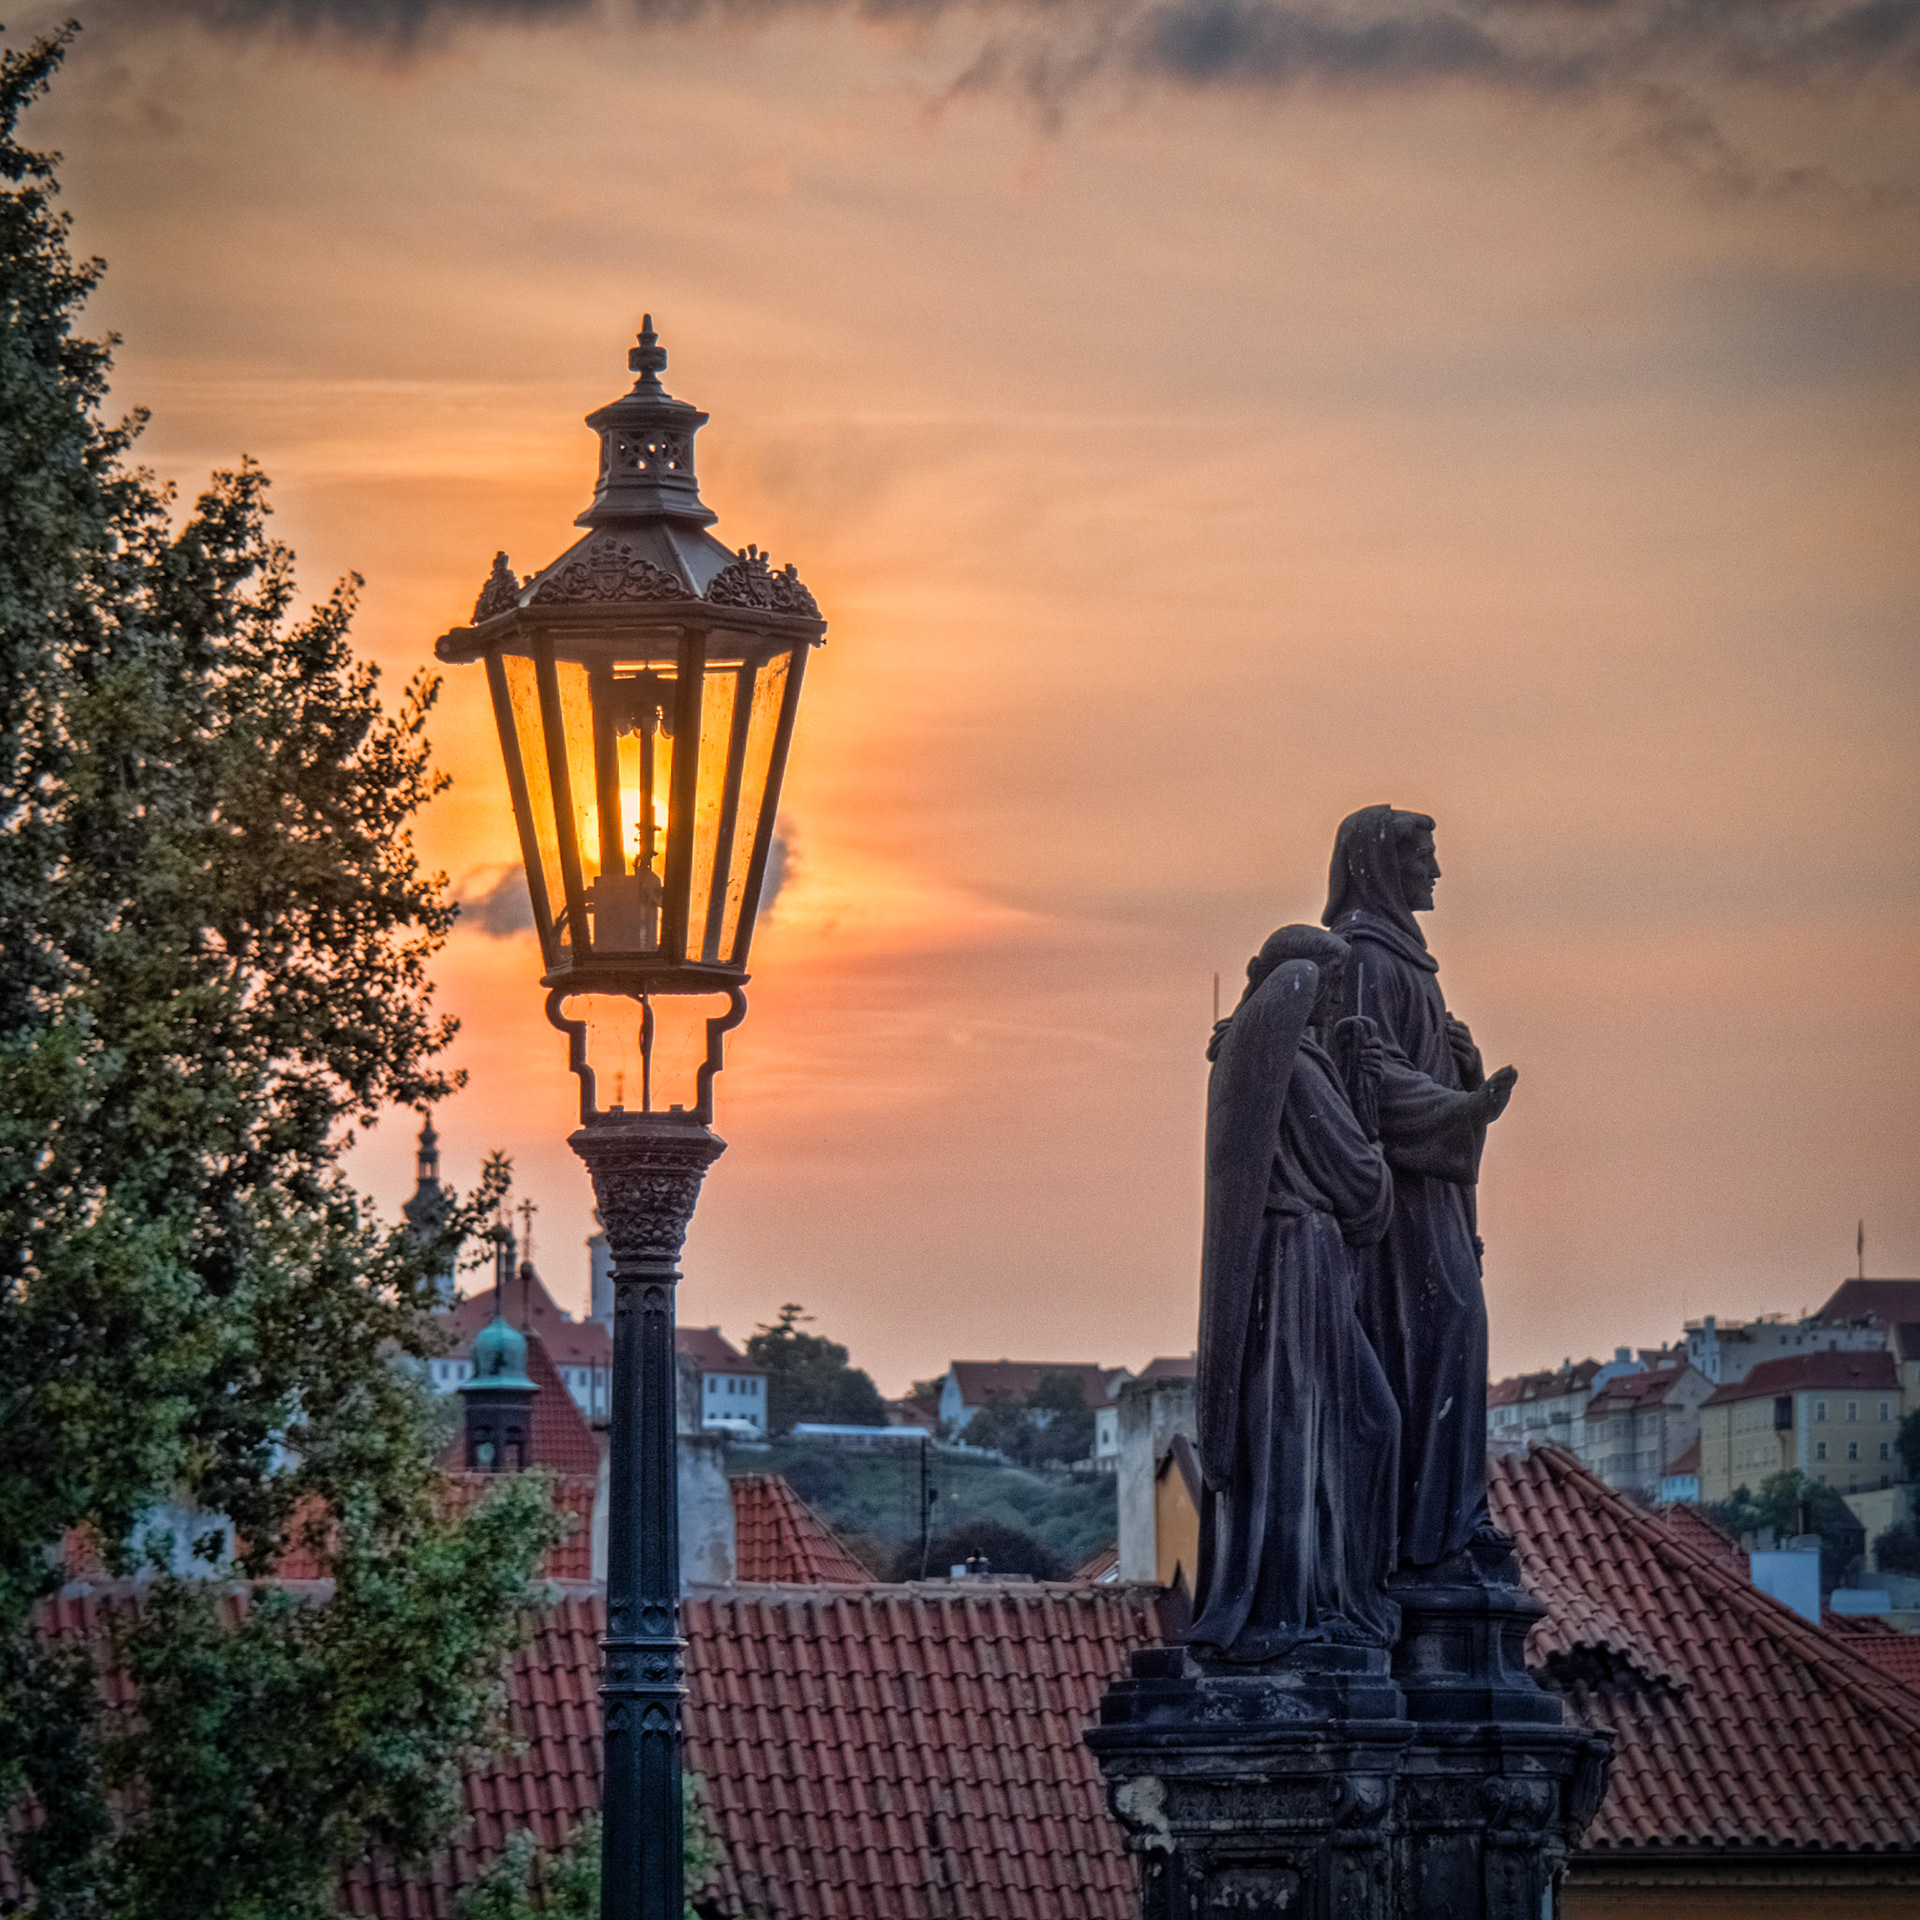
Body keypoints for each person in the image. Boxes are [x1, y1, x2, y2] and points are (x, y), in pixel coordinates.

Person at [1190, 925, 1401, 1661]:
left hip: (1299, 1264)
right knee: (1323, 1426)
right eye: (1331, 984)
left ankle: (1326, 1591)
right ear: (1302, 986)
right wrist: (1368, 1108)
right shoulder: (1299, 1072)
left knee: (1348, 1424)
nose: (1338, 996)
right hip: (1298, 1264)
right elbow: (1362, 1185)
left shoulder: (1276, 1062)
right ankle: (1304, 1600)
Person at [1322, 806, 1516, 1572]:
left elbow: (1414, 1069)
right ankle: (1427, 1536)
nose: (1435, 872)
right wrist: (1460, 1107)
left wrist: (1462, 1074)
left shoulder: (1403, 960)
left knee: (1456, 1337)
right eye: (1423, 859)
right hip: (1396, 1205)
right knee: (1444, 1330)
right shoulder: (1364, 957)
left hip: (1432, 1189)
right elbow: (1368, 1078)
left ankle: (1451, 1522)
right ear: (1381, 867)